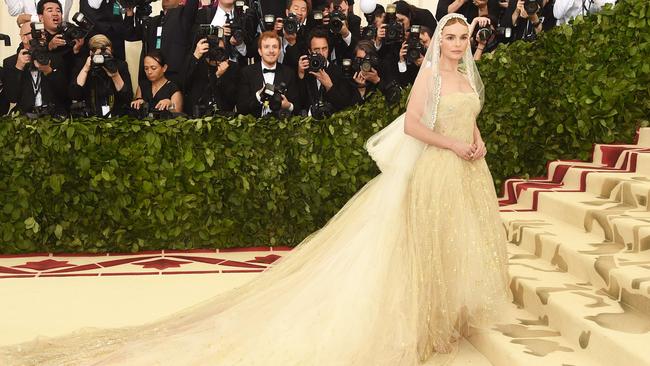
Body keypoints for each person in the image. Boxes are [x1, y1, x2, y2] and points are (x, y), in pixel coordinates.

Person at [0, 13, 509, 366]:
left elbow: (472, 119)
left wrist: (477, 143)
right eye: (452, 38)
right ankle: (425, 323)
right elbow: (416, 126)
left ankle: (449, 318)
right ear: (439, 42)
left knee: (454, 242)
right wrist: (452, 145)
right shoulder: (430, 80)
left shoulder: (469, 78)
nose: (459, 45)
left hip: (466, 169)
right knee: (422, 245)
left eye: (464, 39)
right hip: (438, 167)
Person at [2, 21, 68, 116]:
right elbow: (12, 97)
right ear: (24, 38)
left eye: (43, 33)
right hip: (25, 119)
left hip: (53, 117)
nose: (42, 36)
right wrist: (18, 68)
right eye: (36, 33)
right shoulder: (10, 62)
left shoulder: (55, 58)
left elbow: (64, 94)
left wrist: (48, 71)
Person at [237, 31, 299, 117]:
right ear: (260, 51)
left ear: (279, 51)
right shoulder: (246, 72)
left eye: (275, 47)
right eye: (266, 47)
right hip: (253, 127)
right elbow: (241, 108)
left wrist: (288, 106)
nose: (271, 51)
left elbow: (298, 108)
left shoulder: (289, 73)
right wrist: (258, 95)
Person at [69, 34, 132, 117]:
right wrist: (85, 69)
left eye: (105, 53)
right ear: (91, 52)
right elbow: (74, 95)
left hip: (116, 116)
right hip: (89, 117)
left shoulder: (120, 65)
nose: (102, 57)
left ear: (111, 51)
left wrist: (115, 75)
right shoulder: (82, 64)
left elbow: (127, 97)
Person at [297, 28, 354, 117]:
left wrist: (329, 86)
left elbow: (345, 105)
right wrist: (301, 75)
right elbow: (299, 103)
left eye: (324, 48)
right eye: (316, 50)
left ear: (329, 49)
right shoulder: (305, 72)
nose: (321, 53)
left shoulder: (339, 72)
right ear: (309, 51)